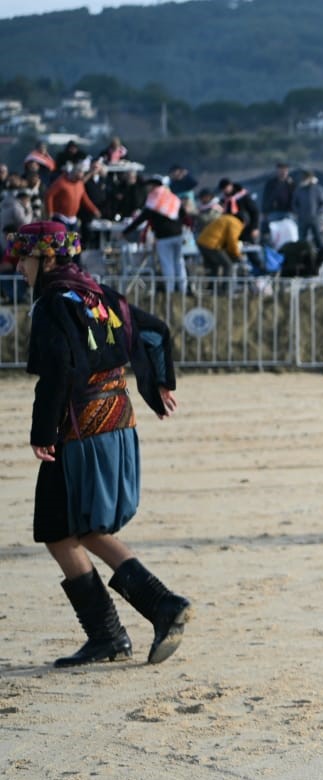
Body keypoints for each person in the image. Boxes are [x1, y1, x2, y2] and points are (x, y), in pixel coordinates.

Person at [10, 221, 192, 667]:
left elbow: (59, 371)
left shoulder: (54, 302)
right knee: (86, 525)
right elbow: (153, 330)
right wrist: (159, 383)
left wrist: (41, 433)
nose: (18, 266)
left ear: (47, 259)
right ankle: (143, 617)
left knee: (57, 528)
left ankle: (125, 625)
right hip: (117, 422)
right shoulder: (97, 292)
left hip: (78, 428)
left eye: (24, 257)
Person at [122, 176, 188, 293]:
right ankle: (183, 290)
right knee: (179, 263)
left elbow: (140, 219)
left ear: (153, 187)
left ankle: (170, 291)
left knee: (167, 264)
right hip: (178, 235)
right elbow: (183, 214)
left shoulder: (153, 201)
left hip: (163, 238)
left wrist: (125, 232)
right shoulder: (172, 198)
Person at [291, 170, 323, 251]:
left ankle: (320, 255)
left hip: (315, 219)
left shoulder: (318, 189)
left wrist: (318, 213)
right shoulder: (299, 190)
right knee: (302, 240)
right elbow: (294, 203)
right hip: (302, 219)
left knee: (318, 239)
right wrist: (298, 212)